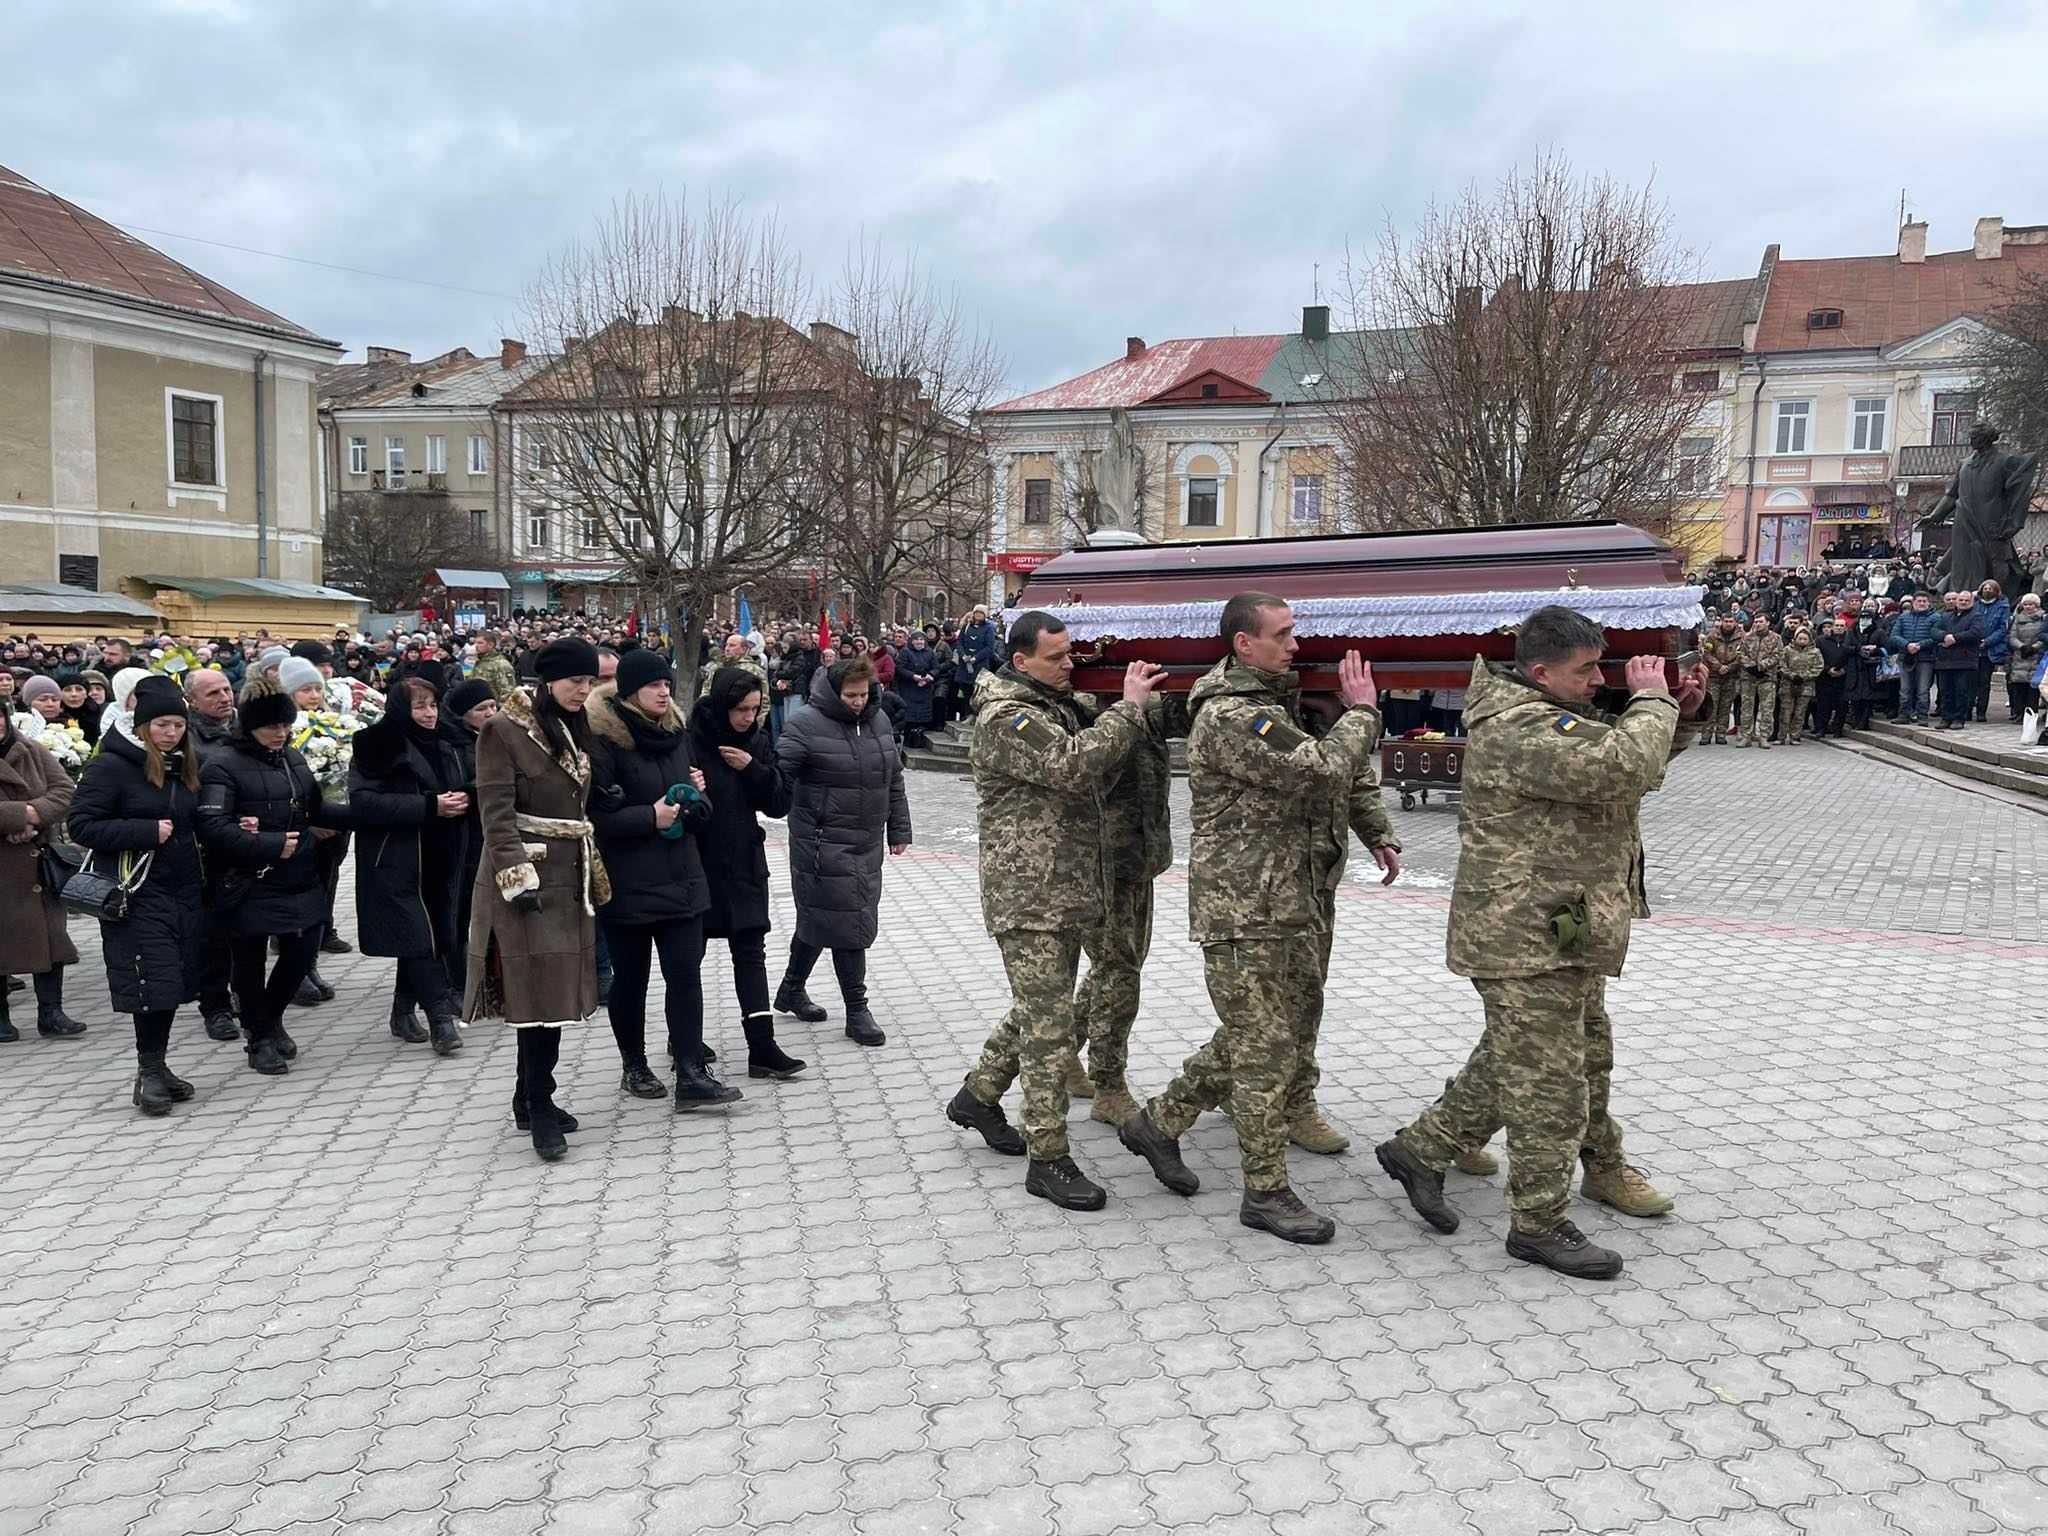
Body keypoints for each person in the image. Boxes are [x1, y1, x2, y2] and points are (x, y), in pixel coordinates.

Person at [1375, 607, 1705, 1280]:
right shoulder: (1522, 725)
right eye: (1585, 670)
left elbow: (1616, 769)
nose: (1597, 680)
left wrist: (1682, 714)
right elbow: (1620, 765)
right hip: (1522, 932)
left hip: (1560, 920)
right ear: (1539, 672)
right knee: (1550, 1084)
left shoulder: (1550, 717)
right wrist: (1651, 698)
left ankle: (1421, 1149)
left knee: (1546, 1057)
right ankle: (1538, 1222)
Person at [1116, 595, 1385, 1244]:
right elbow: (1320, 769)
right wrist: (1365, 711)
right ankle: (1265, 1192)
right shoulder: (1235, 716)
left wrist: (1375, 828)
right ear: (1244, 645)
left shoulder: (1271, 704)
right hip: (1244, 909)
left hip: (1286, 898)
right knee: (1262, 1047)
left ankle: (1158, 1122)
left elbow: (1337, 780)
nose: (1297, 646)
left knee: (1263, 1035)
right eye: (1284, 635)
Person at [946, 613, 1163, 1210]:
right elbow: (1074, 762)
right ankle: (1049, 1159)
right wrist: (1128, 707)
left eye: (1071, 654)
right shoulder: (1008, 717)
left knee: (1043, 1011)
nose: (1071, 665)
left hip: (1067, 890)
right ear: (1020, 660)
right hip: (1030, 895)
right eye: (1057, 657)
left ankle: (978, 1095)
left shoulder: (1052, 702)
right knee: (1049, 1028)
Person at [464, 638, 606, 1162]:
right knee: (536, 998)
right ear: (547, 682)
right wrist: (516, 879)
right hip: (525, 881)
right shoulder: (502, 730)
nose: (583, 690)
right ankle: (541, 1105)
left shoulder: (572, 727)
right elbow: (495, 813)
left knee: (556, 994)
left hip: (571, 877)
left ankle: (527, 1097)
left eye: (589, 682)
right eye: (575, 682)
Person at [588, 648, 741, 1111]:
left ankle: (691, 1072)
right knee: (631, 980)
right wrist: (648, 817)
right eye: (654, 684)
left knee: (685, 975)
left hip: (682, 877)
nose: (664, 691)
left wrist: (697, 802)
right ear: (630, 690)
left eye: (667, 684)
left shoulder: (676, 734)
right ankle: (633, 1064)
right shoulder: (602, 741)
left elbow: (696, 803)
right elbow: (595, 817)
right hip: (628, 882)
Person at [67, 677, 205, 1112]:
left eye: (178, 725)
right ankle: (148, 1074)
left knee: (169, 981)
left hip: (180, 889)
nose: (171, 732)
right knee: (151, 981)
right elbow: (83, 825)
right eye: (162, 725)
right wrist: (145, 831)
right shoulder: (112, 766)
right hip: (135, 893)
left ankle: (159, 1067)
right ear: (142, 726)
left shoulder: (180, 764)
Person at [196, 679, 347, 1075]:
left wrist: (366, 813)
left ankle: (271, 1016)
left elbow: (315, 808)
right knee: (248, 964)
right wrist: (268, 844)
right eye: (271, 727)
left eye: (285, 726)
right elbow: (213, 825)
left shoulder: (291, 757)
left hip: (299, 874)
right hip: (249, 880)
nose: (280, 733)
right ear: (250, 727)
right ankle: (258, 1037)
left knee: (300, 956)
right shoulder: (222, 764)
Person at [772, 656, 911, 1048]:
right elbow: (778, 778)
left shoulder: (878, 720)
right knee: (849, 922)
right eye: (850, 695)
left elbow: (893, 778)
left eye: (864, 694)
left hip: (866, 840)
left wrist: (899, 828)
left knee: (823, 918)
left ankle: (791, 989)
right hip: (821, 841)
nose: (857, 702)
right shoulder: (805, 723)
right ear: (834, 691)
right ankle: (857, 1010)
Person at [1071, 687, 1187, 1128]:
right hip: (1101, 865)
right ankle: (1108, 1084)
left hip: (1140, 858)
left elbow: (1187, 711)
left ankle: (1064, 1051)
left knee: (1118, 967)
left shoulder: (1147, 705)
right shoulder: (1077, 712)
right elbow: (1089, 776)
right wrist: (1124, 709)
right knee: (1118, 973)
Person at [347, 677, 473, 1056]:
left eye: (433, 705)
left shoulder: (448, 743)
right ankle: (440, 1020)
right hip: (396, 860)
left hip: (442, 856)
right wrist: (430, 806)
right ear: (401, 708)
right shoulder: (375, 745)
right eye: (420, 706)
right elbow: (363, 804)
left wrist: (468, 798)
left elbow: (469, 784)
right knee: (420, 938)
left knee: (427, 936)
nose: (429, 713)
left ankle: (402, 1011)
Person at [690, 665, 803, 1080]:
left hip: (743, 864)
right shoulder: (691, 740)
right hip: (698, 866)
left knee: (751, 955)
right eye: (739, 709)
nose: (747, 718)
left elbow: (778, 803)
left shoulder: (756, 740)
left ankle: (762, 1047)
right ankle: (685, 1042)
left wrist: (752, 767)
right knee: (690, 958)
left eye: (754, 709)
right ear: (721, 704)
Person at [0, 703, 82, 1045]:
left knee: (51, 937)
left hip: (37, 862)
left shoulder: (31, 749)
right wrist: (20, 816)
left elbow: (64, 791)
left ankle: (52, 1012)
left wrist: (34, 817)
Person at [181, 668, 243, 1040]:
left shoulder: (245, 727)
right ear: (192, 701)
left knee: (245, 928)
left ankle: (244, 994)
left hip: (248, 841)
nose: (224, 697)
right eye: (212, 693)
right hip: (208, 847)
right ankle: (215, 1005)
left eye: (226, 689)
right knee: (213, 935)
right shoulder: (186, 739)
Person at [1932, 589, 1987, 731]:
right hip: (1945, 660)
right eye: (1961, 600)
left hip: (1965, 660)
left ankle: (1958, 718)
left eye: (1966, 601)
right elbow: (1934, 631)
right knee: (1945, 691)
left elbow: (1976, 632)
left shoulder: (1977, 616)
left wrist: (1955, 638)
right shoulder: (1946, 616)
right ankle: (1946, 717)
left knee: (1961, 692)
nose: (1963, 602)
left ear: (1972, 602)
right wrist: (1945, 636)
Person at [1776, 627, 1823, 743]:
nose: (1802, 641)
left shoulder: (1815, 652)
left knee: (1799, 713)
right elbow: (1781, 665)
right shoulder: (1787, 650)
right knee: (1785, 712)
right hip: (1788, 685)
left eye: (1805, 639)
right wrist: (1791, 675)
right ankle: (1781, 737)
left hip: (1806, 687)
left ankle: (1795, 736)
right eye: (1800, 638)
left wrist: (1804, 676)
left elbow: (1818, 667)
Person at [894, 629, 939, 750]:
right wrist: (913, 676)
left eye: (921, 639)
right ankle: (909, 739)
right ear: (911, 641)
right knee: (909, 715)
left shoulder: (929, 653)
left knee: (922, 716)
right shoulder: (905, 652)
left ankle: (919, 738)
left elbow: (936, 667)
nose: (919, 642)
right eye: (916, 639)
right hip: (909, 687)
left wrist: (930, 676)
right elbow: (899, 668)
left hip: (924, 688)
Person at [1976, 580, 2012, 724]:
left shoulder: (2002, 606)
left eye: (1990, 588)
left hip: (1990, 650)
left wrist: (1988, 641)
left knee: (1984, 683)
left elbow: (2003, 629)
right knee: (1971, 682)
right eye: (1985, 588)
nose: (1987, 590)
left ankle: (1981, 711)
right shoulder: (1975, 605)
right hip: (1973, 648)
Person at [2006, 594, 2045, 723]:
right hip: (2020, 655)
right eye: (2026, 604)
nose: (2028, 607)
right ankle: (2019, 712)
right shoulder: (2017, 618)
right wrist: (2021, 647)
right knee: (2019, 687)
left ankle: (2031, 713)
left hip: (2036, 656)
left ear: (2037, 605)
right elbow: (2012, 636)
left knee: (2032, 688)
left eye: (2030, 604)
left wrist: (2033, 648)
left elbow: (2044, 637)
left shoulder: (2043, 618)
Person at [472, 630, 518, 701]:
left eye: (480, 643)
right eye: (475, 643)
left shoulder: (501, 664)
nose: (476, 646)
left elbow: (508, 692)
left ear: (491, 645)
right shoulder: (479, 661)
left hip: (492, 708)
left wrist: (498, 709)